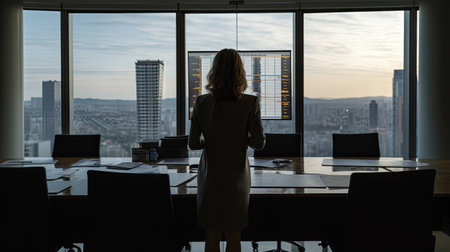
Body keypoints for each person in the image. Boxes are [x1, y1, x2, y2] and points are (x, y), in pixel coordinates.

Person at [188, 48, 265, 252]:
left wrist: (213, 140)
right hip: (236, 181)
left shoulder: (201, 102)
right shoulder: (250, 102)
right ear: (240, 72)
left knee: (211, 238)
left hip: (210, 180)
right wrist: (239, 137)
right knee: (234, 238)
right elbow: (258, 143)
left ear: (214, 71)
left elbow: (194, 144)